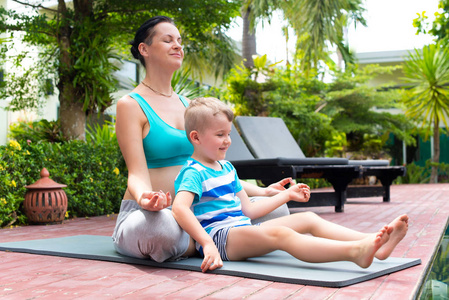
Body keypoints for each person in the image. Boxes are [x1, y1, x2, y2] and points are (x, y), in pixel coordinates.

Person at [112, 16, 292, 263]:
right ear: (144, 49)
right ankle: (216, 241)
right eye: (167, 40)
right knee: (159, 230)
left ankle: (202, 241)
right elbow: (136, 173)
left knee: (277, 209)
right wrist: (146, 197)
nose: (178, 46)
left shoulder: (189, 107)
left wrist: (262, 191)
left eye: (179, 40)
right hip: (155, 215)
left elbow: (212, 172)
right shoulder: (130, 105)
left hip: (201, 214)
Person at [172, 97, 409, 272]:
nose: (227, 141)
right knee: (282, 234)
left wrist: (286, 195)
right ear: (196, 137)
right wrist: (206, 244)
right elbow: (180, 208)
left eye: (229, 134)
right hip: (219, 239)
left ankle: (373, 243)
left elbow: (250, 210)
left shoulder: (227, 169)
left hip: (241, 229)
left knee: (307, 218)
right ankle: (356, 253)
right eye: (220, 135)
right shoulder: (193, 172)